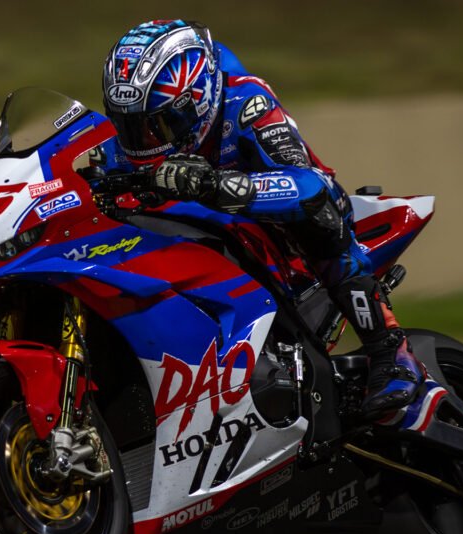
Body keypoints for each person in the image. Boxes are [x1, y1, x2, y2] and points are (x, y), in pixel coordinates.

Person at [98, 19, 424, 417]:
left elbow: (309, 186)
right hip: (193, 243)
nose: (143, 141)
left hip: (278, 235)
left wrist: (213, 185)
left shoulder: (246, 103)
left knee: (319, 213)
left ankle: (390, 349)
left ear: (197, 101)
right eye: (130, 126)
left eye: (159, 125)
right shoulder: (125, 145)